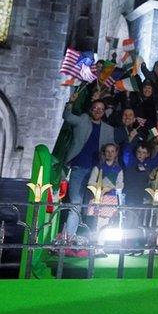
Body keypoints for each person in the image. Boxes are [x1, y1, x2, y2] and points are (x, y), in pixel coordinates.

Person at [61, 99, 115, 239]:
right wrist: (71, 103)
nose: (97, 111)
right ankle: (68, 239)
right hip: (79, 168)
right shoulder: (83, 120)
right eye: (95, 107)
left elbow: (112, 151)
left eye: (101, 109)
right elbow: (67, 117)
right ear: (91, 109)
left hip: (96, 173)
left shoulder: (108, 130)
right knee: (76, 204)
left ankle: (90, 240)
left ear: (104, 112)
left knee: (93, 206)